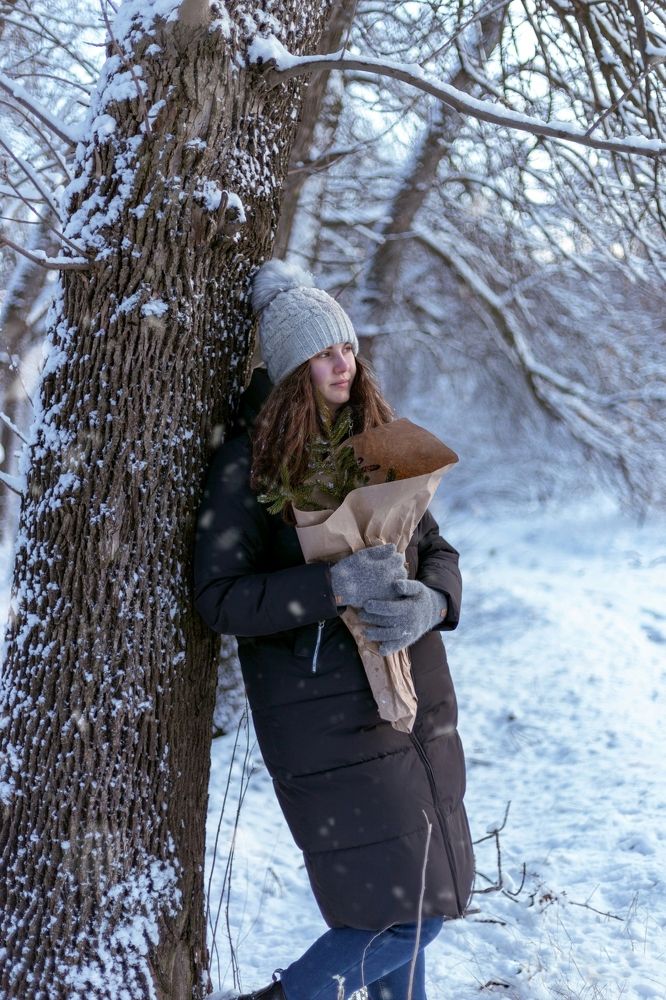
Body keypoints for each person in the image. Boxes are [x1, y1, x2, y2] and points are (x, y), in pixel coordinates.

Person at [193, 259, 474, 1000]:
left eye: (346, 345)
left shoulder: (380, 442)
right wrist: (333, 585)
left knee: (411, 901)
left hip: (412, 703)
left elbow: (438, 549)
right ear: (292, 369)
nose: (342, 362)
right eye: (323, 352)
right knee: (408, 920)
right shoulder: (249, 465)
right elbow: (220, 599)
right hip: (325, 722)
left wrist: (432, 602)